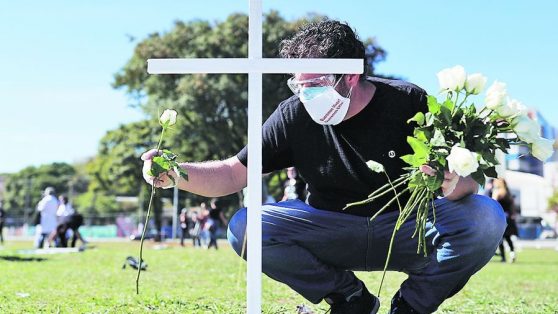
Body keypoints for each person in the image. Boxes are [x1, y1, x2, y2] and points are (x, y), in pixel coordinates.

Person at [141, 20, 506, 314]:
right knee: (244, 226)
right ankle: (350, 299)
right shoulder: (293, 113)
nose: (305, 94)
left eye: (314, 83)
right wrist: (177, 173)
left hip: (404, 227)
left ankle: (412, 305)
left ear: (350, 76)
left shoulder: (407, 101)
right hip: (328, 227)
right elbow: (235, 172)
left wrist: (450, 182)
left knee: (486, 216)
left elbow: (467, 183)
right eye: (298, 84)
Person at [491, 178, 518, 263]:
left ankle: (503, 257)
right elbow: (512, 207)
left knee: (500, 239)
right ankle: (512, 253)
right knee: (508, 238)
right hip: (509, 218)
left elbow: (493, 203)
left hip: (500, 218)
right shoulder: (508, 193)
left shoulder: (497, 193)